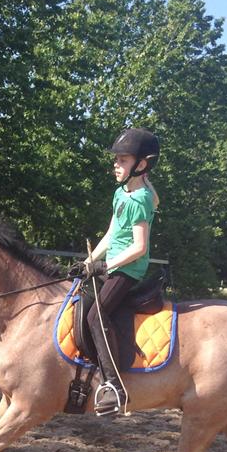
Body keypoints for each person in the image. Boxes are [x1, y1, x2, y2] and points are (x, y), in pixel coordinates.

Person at [73, 127, 160, 415]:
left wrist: (106, 265)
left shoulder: (141, 200)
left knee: (97, 314)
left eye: (122, 160)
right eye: (116, 160)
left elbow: (139, 247)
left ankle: (114, 386)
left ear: (141, 164)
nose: (115, 165)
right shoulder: (121, 193)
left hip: (128, 269)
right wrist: (90, 261)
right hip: (111, 263)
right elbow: (112, 232)